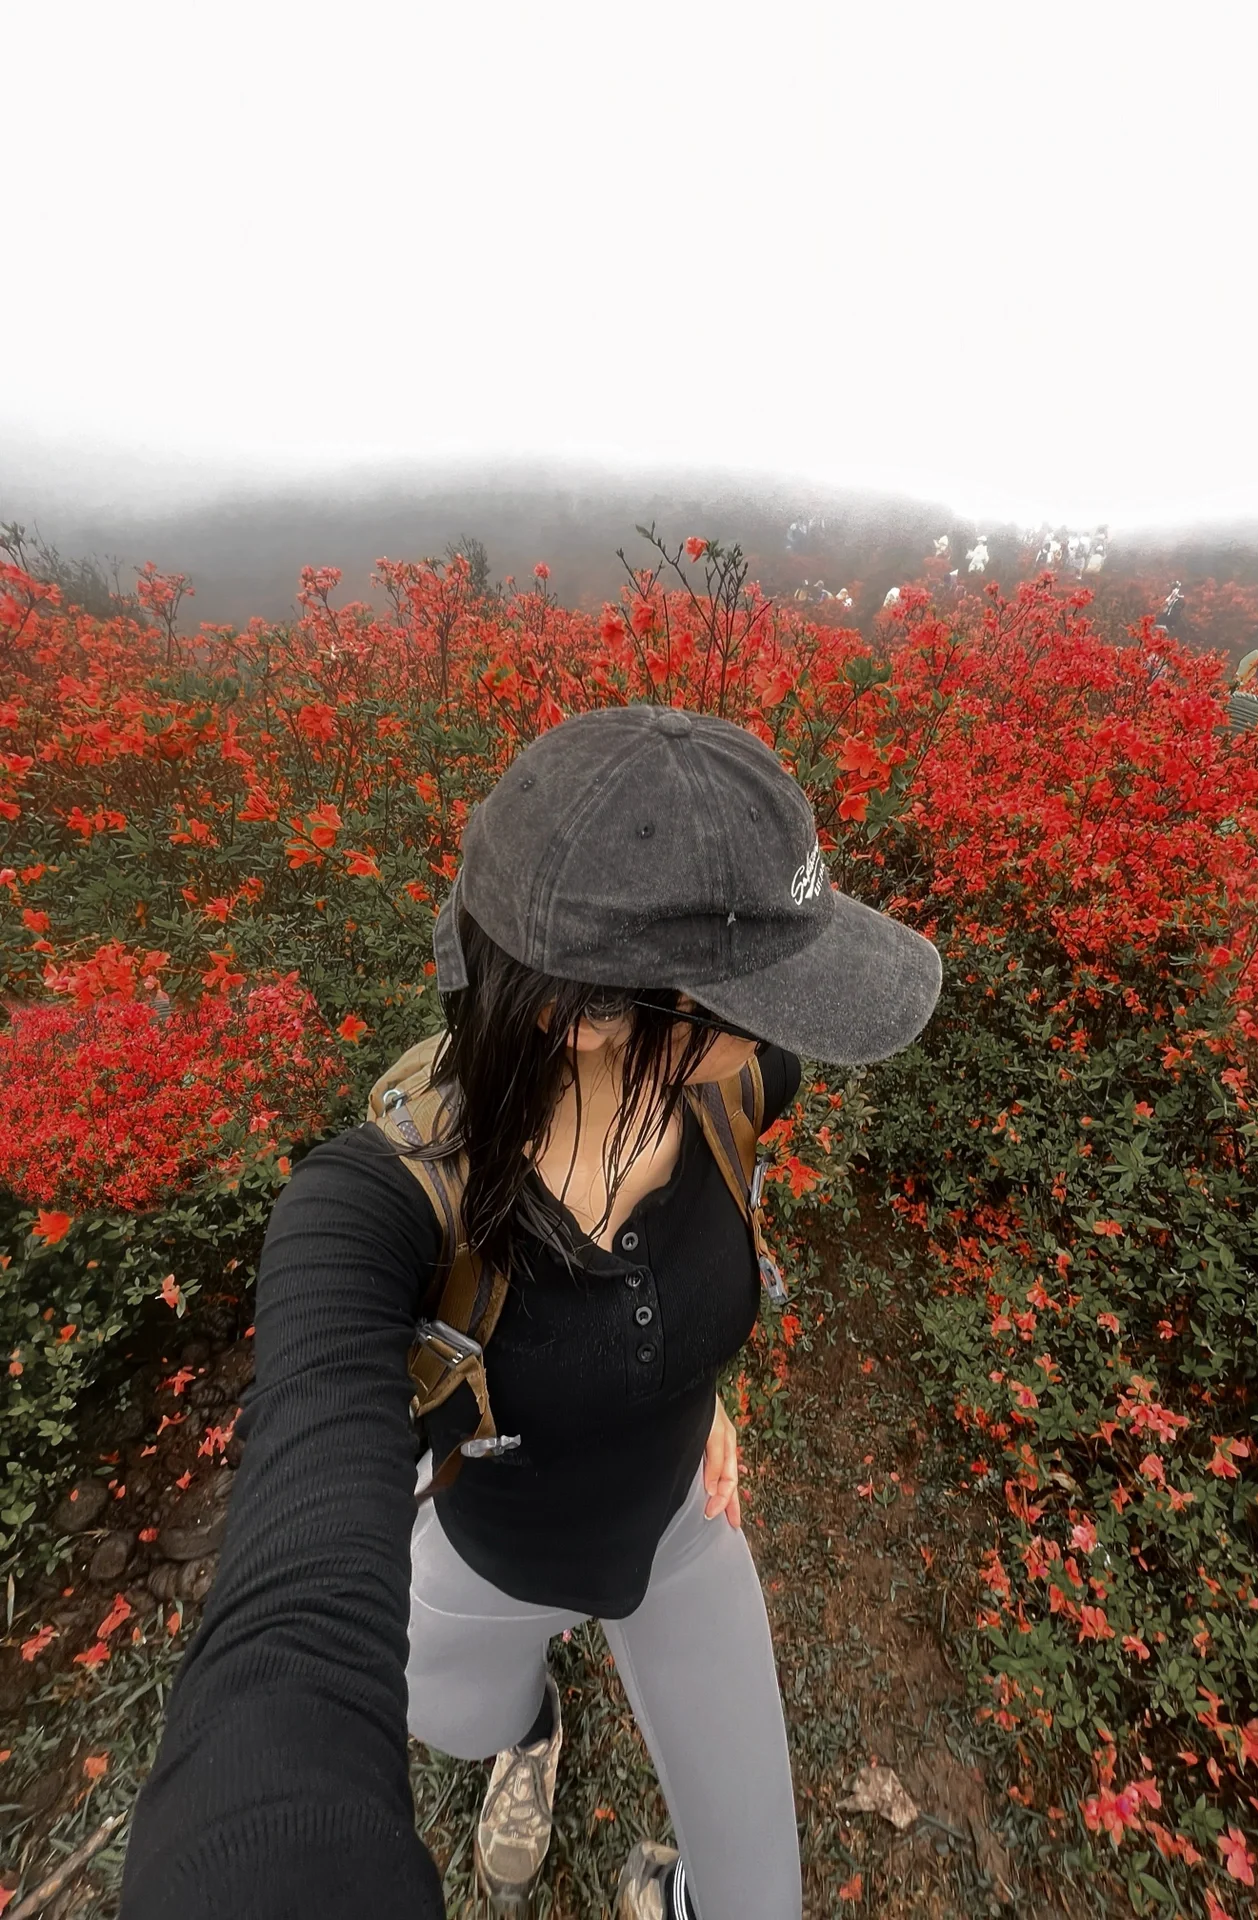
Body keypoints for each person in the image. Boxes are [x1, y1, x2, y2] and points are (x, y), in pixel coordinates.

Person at [117, 704, 944, 1920]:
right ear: (586, 1012)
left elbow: (695, 1247)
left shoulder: (741, 1078)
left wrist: (695, 1385)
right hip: (480, 1566)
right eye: (747, 993)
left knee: (758, 1906)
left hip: (678, 1536)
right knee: (459, 1723)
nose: (782, 1029)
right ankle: (532, 1731)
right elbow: (283, 1642)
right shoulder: (367, 1212)